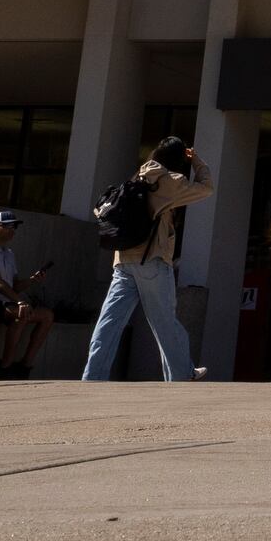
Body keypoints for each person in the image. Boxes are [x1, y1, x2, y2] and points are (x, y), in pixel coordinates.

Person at [79, 136, 213, 382]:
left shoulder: (136, 177)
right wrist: (197, 162)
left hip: (122, 261)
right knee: (164, 322)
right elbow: (206, 187)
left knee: (109, 321)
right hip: (152, 260)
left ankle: (93, 376)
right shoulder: (170, 182)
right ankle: (182, 373)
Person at [0, 210, 55, 379]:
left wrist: (33, 280)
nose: (12, 230)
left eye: (14, 227)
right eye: (7, 226)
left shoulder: (9, 254)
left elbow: (13, 286)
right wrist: (20, 302)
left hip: (4, 303)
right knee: (21, 314)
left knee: (47, 316)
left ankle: (25, 366)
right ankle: (3, 368)